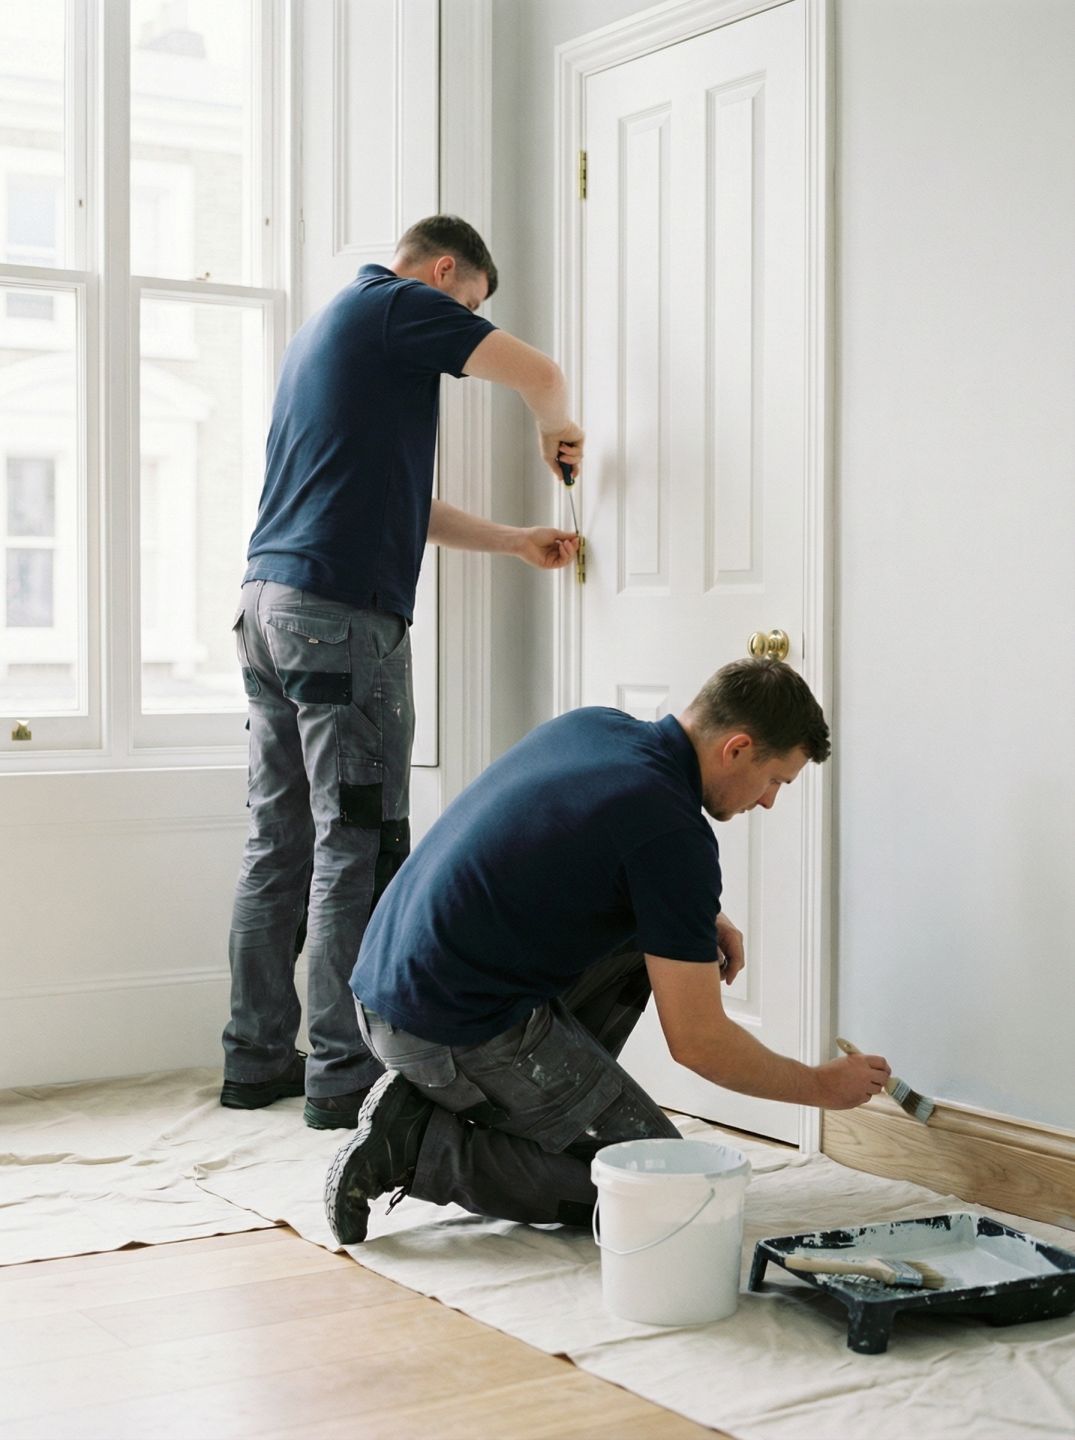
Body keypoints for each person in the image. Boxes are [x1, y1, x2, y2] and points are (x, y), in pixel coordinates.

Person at [324, 657, 892, 1244]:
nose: (769, 801)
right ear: (738, 748)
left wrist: (698, 918)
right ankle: (419, 1148)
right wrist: (820, 1088)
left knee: (667, 942)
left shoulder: (597, 726)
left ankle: (483, 1107)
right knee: (669, 1190)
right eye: (776, 780)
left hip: (386, 990)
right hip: (442, 1028)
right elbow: (699, 1043)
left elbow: (577, 856)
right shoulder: (672, 832)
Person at [221, 215, 584, 1130]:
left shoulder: (325, 333)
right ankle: (342, 1075)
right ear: (443, 269)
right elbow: (541, 374)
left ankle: (254, 1059)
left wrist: (513, 540)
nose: (466, 325)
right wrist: (557, 429)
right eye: (469, 304)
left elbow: (398, 504)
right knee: (358, 842)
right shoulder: (392, 303)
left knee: (279, 840)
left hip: (267, 608)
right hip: (338, 619)